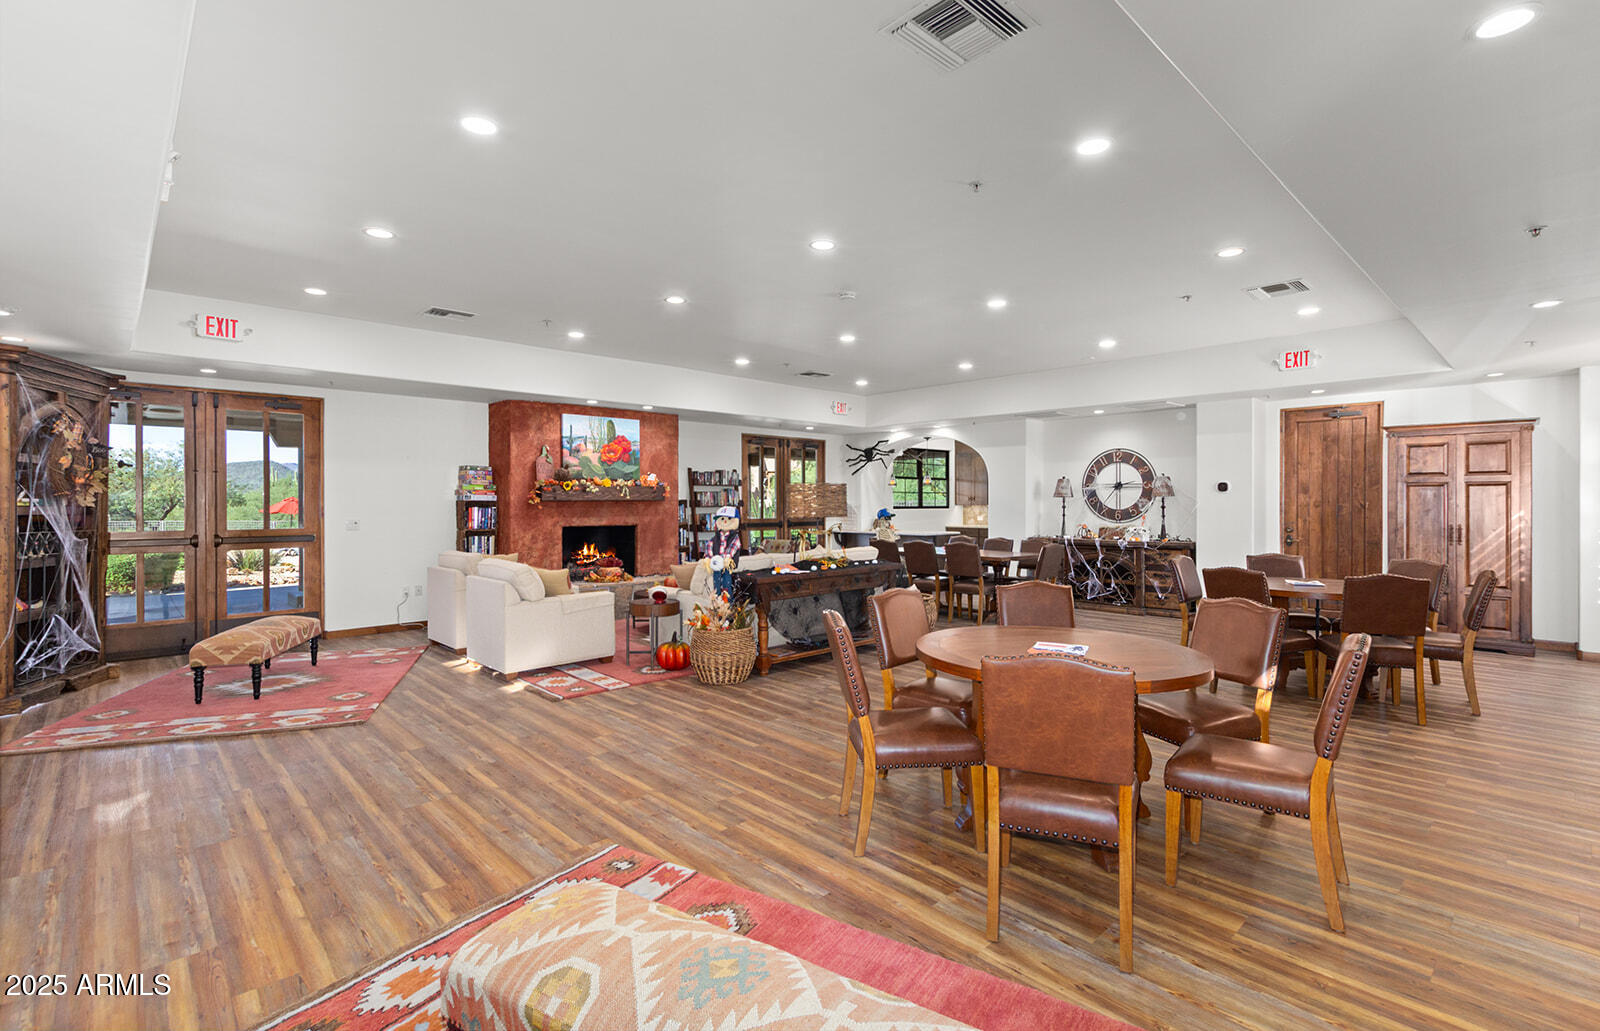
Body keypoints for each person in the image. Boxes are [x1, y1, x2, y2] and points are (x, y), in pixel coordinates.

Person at [703, 505, 744, 594]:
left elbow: (733, 548)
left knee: (727, 585)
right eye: (722, 519)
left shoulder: (735, 537)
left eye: (729, 518)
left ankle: (728, 605)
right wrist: (708, 557)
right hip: (717, 565)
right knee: (716, 585)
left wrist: (727, 558)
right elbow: (709, 545)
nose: (725, 521)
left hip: (727, 566)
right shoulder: (716, 537)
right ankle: (718, 603)